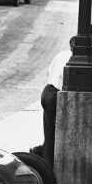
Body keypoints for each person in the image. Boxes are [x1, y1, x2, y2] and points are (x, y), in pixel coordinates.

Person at [31, 36, 75, 168]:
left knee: (50, 130)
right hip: (56, 94)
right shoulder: (72, 59)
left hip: (48, 91)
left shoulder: (62, 54)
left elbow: (49, 72)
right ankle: (49, 164)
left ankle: (42, 154)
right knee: (55, 132)